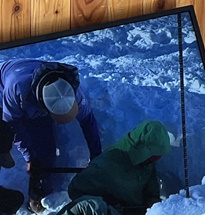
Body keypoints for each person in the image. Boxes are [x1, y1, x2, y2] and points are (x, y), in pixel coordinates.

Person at [0, 60, 103, 207]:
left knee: (46, 151)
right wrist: (30, 157)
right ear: (43, 106)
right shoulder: (16, 88)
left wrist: (96, 157)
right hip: (5, 91)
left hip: (34, 100)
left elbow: (88, 122)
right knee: (8, 141)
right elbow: (11, 125)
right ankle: (36, 197)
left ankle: (43, 192)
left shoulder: (72, 93)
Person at [66, 120, 171, 215]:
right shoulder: (108, 163)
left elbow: (151, 192)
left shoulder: (147, 163)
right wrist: (108, 204)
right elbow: (75, 190)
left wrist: (153, 203)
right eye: (155, 156)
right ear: (144, 150)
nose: (157, 159)